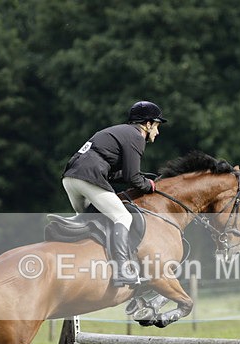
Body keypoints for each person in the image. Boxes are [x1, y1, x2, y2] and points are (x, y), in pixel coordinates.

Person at [61, 101, 166, 286]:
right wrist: (150, 186)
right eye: (156, 126)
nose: (157, 132)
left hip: (70, 178)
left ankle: (79, 270)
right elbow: (133, 178)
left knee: (88, 222)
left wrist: (141, 179)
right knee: (123, 218)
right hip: (87, 177)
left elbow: (119, 174)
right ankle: (122, 271)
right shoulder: (136, 136)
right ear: (148, 124)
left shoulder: (120, 132)